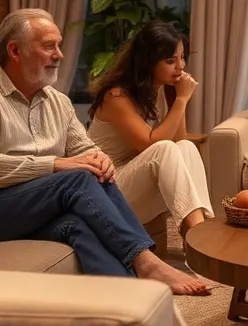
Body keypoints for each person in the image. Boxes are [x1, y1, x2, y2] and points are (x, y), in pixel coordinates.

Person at [0, 8, 210, 296]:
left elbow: (85, 149)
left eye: (59, 45)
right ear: (14, 50)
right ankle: (147, 262)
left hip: (28, 204)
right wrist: (55, 165)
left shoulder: (58, 102)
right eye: (49, 46)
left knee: (76, 221)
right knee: (76, 177)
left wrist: (99, 158)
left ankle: (129, 297)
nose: (60, 55)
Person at [87, 21, 213, 243]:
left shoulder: (161, 89)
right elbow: (150, 144)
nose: (180, 66)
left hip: (135, 180)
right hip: (106, 188)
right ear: (148, 62)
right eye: (170, 61)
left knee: (186, 147)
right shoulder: (116, 96)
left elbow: (179, 140)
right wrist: (182, 99)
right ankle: (200, 239)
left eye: (182, 57)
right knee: (163, 148)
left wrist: (176, 99)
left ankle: (197, 229)